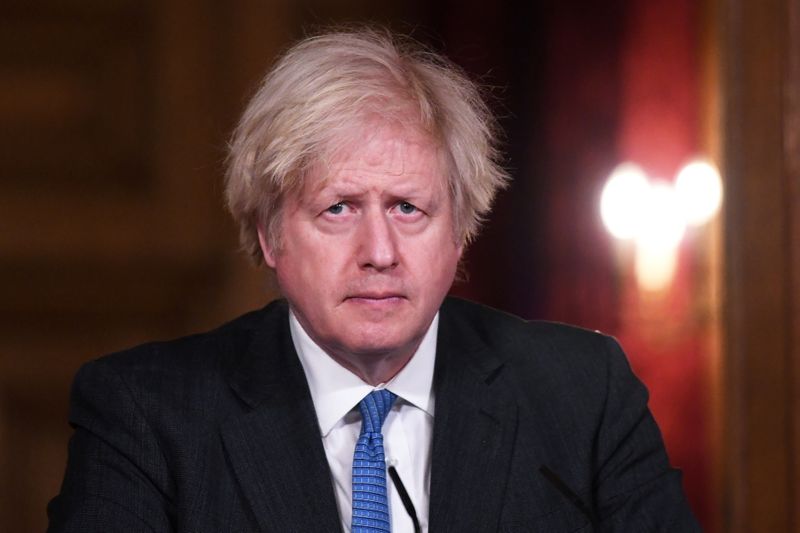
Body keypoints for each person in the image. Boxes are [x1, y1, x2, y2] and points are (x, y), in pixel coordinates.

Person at [48, 28, 700, 532]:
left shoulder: (583, 394)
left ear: (459, 230)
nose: (380, 251)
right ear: (272, 233)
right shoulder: (146, 415)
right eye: (338, 208)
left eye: (408, 208)